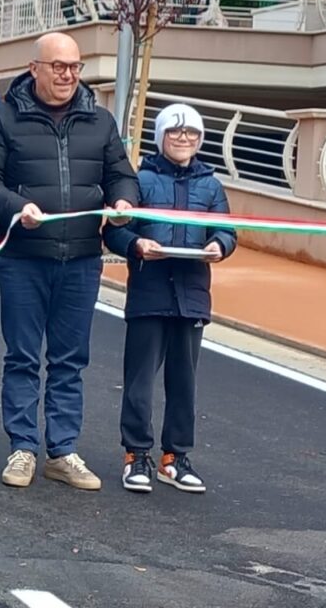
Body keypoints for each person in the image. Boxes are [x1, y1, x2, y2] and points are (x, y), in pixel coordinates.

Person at [0, 32, 139, 491]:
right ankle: (22, 448)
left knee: (70, 360)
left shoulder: (100, 121)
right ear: (35, 68)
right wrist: (13, 208)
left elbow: (122, 175)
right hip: (23, 258)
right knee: (22, 357)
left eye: (74, 67)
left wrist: (123, 201)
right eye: (58, 66)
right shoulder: (3, 119)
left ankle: (62, 451)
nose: (67, 75)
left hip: (81, 259)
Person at [102, 103, 236, 494]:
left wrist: (218, 246)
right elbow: (114, 231)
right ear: (161, 137)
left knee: (184, 381)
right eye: (175, 132)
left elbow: (228, 231)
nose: (183, 139)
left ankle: (174, 458)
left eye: (191, 133)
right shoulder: (140, 180)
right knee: (140, 380)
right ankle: (136, 455)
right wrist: (137, 245)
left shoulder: (211, 185)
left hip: (192, 295)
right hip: (149, 291)